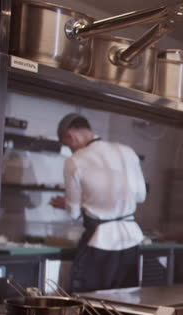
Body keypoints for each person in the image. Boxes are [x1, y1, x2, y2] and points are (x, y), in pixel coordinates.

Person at [50, 113, 147, 292]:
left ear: (71, 135)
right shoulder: (127, 151)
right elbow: (141, 196)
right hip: (130, 240)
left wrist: (65, 203)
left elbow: (73, 212)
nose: (70, 150)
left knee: (89, 304)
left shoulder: (75, 161)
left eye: (68, 145)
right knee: (125, 302)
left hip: (99, 242)